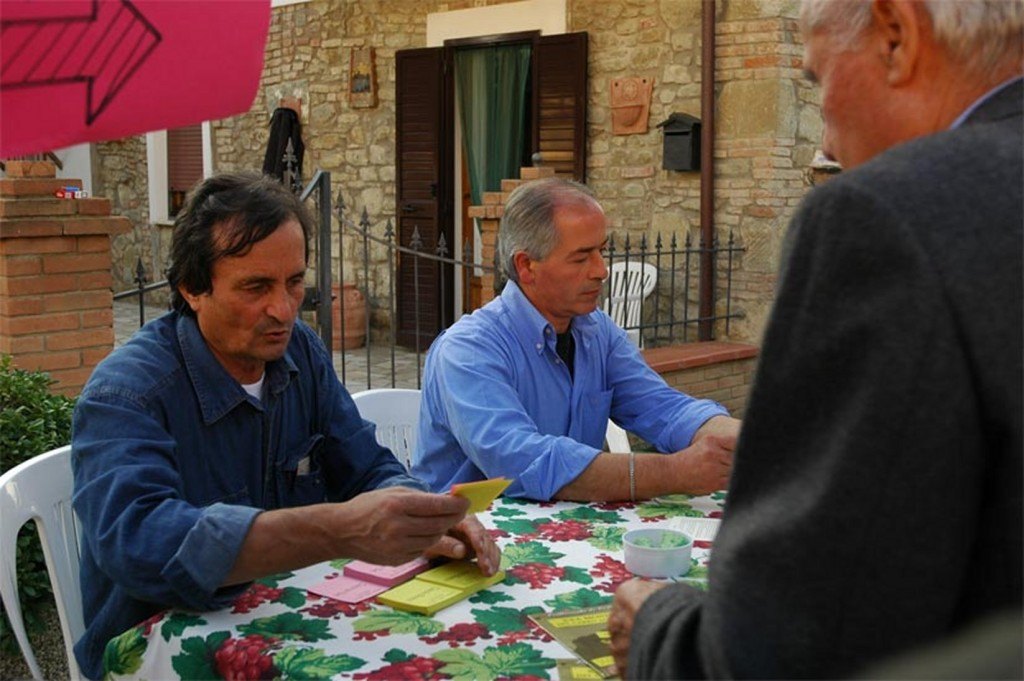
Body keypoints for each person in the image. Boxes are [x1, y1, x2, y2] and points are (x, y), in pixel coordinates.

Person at [609, 0, 1023, 678]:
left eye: (818, 80)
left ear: (897, 35)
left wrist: (658, 633)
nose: (824, 144)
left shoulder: (885, 215)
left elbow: (795, 632)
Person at [71, 173, 499, 679]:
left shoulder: (300, 353)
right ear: (192, 288)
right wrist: (340, 529)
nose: (283, 309)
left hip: (280, 632)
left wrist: (420, 514)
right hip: (159, 657)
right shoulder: (127, 392)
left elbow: (365, 465)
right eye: (256, 287)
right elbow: (141, 542)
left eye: (294, 282)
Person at [414, 177, 741, 502]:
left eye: (602, 251)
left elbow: (662, 407)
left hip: (567, 524)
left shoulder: (596, 332)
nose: (601, 270)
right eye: (582, 257)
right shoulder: (468, 350)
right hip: (466, 527)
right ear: (526, 266)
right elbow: (524, 463)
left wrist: (737, 437)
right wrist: (673, 472)